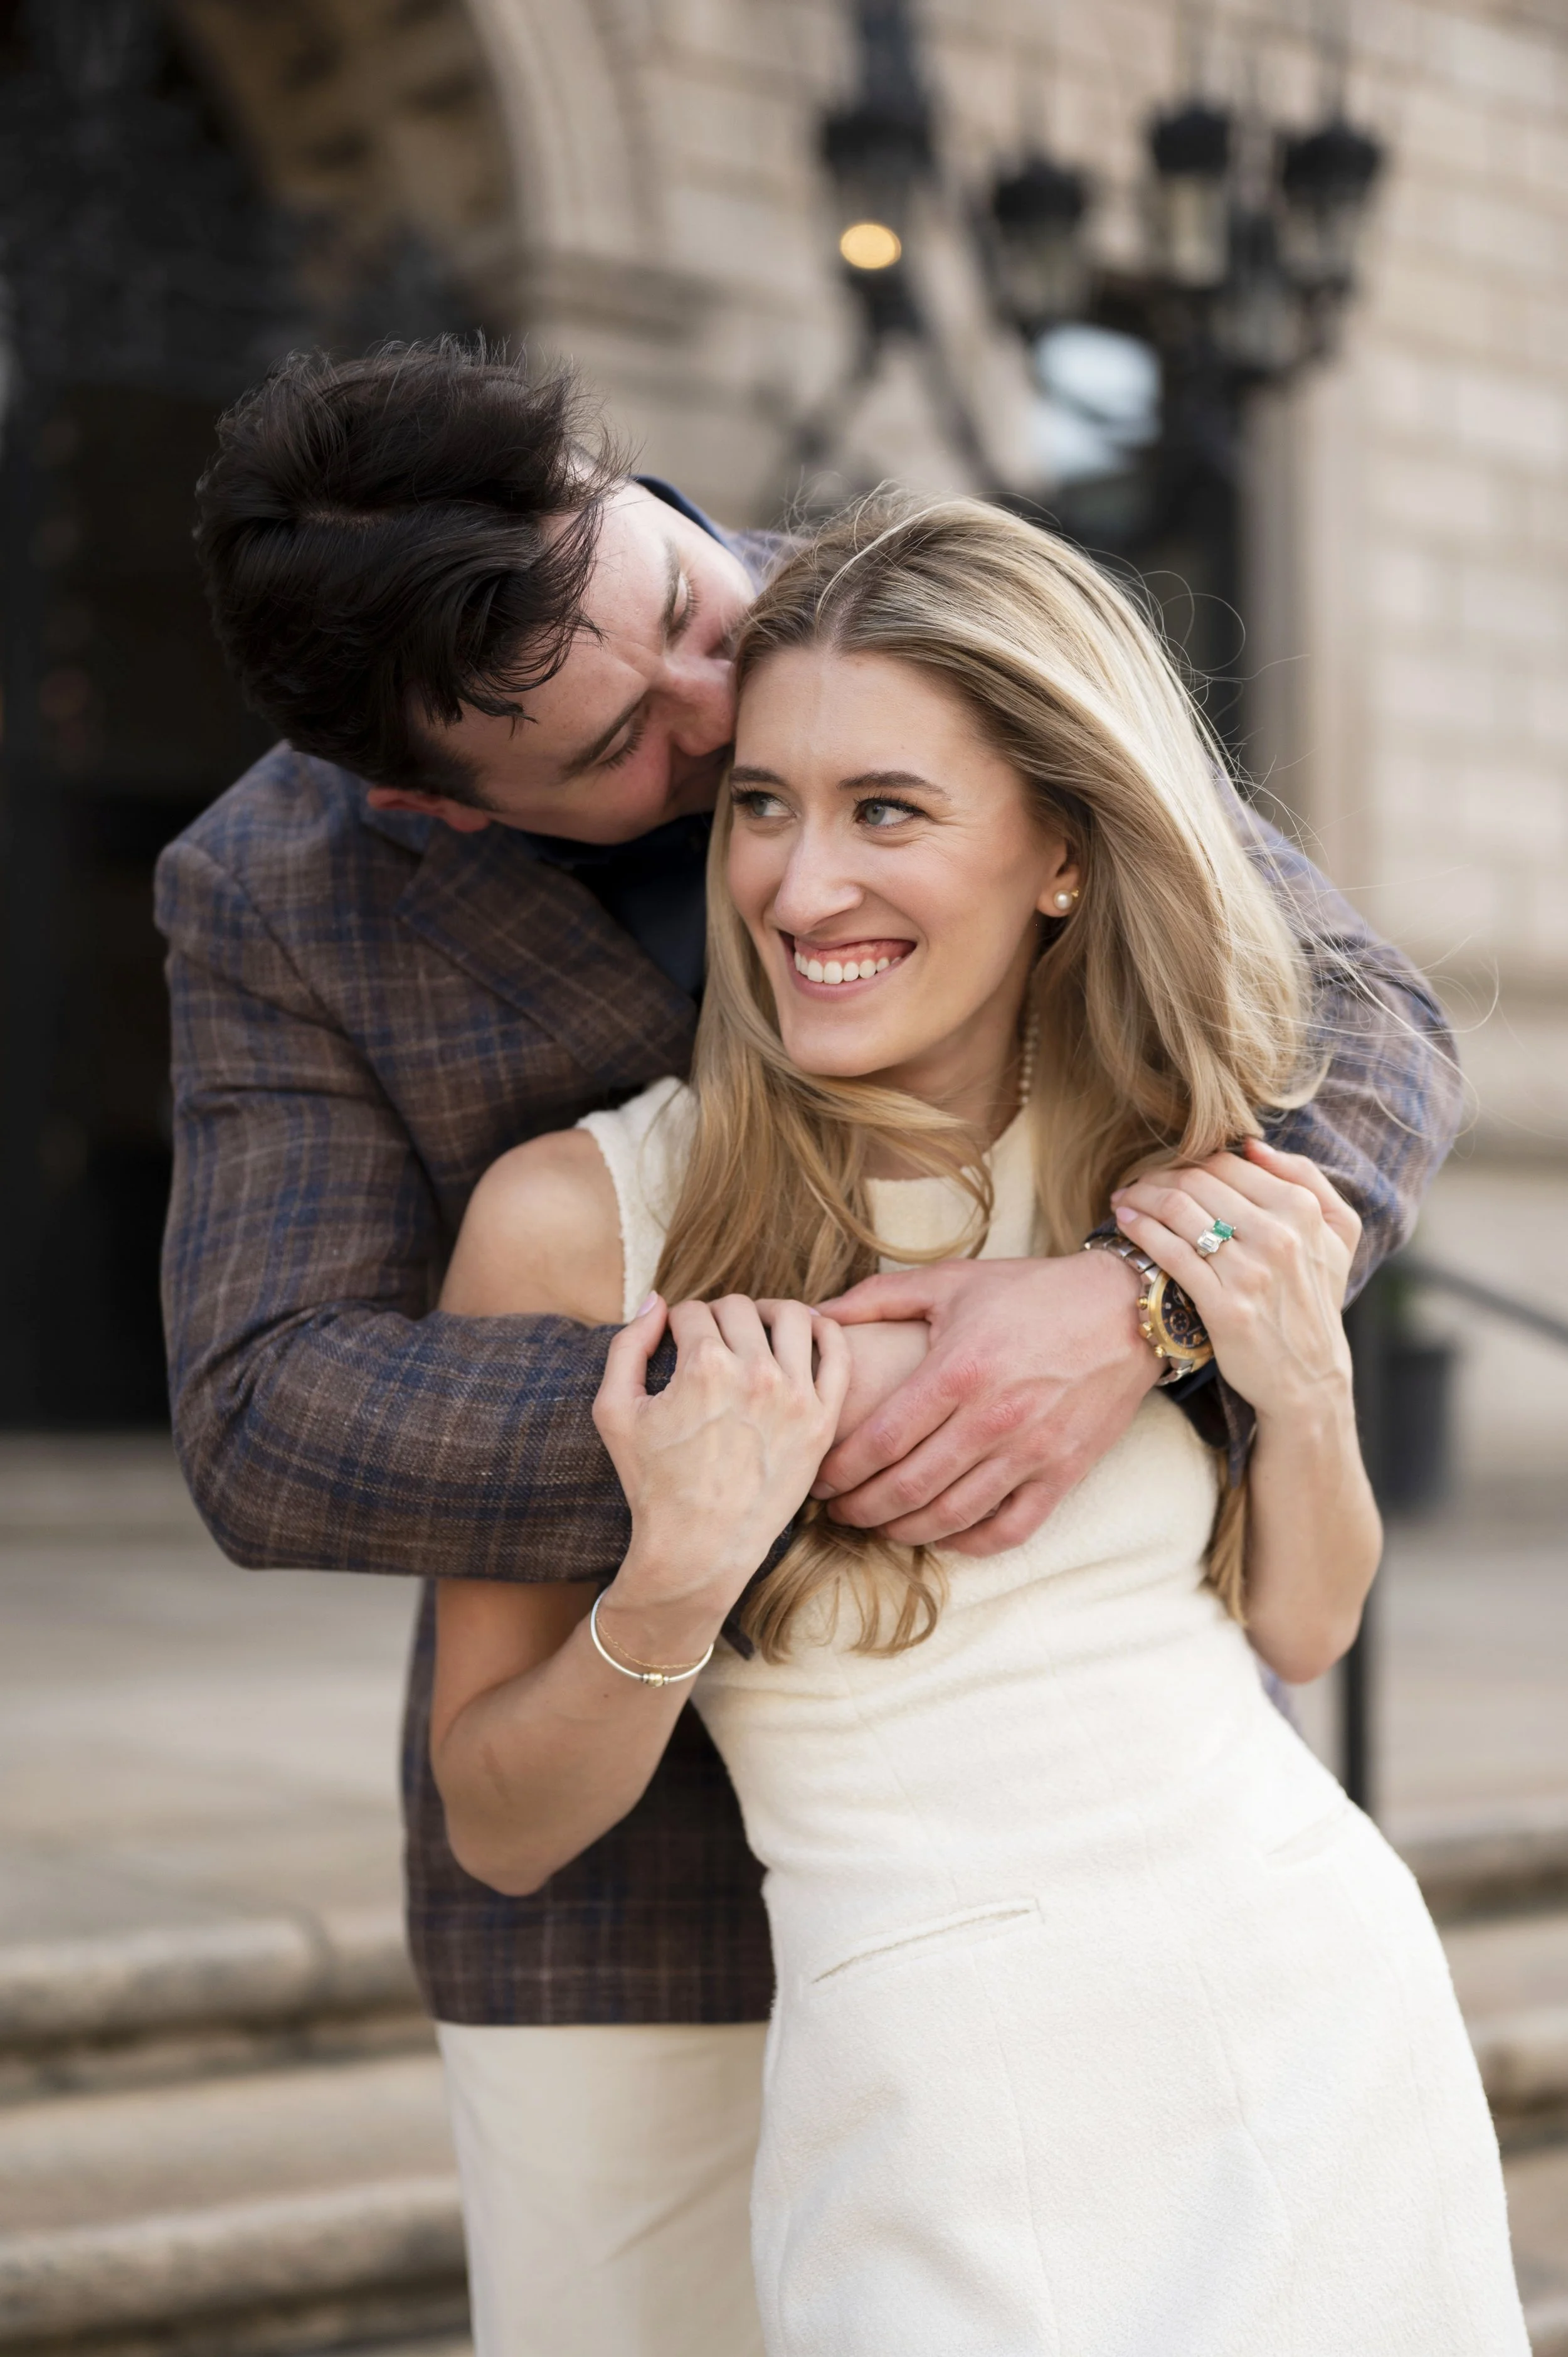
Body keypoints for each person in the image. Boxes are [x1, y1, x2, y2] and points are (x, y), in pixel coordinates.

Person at [161, 343, 1465, 2353]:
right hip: (630, 1900)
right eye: (631, 745)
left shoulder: (901, 636)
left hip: (1185, 1898)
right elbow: (270, 1415)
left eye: (688, 604)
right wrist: (811, 1398)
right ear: (428, 793)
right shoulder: (277, 895)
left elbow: (1356, 1018)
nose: (715, 708)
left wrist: (1132, 1306)